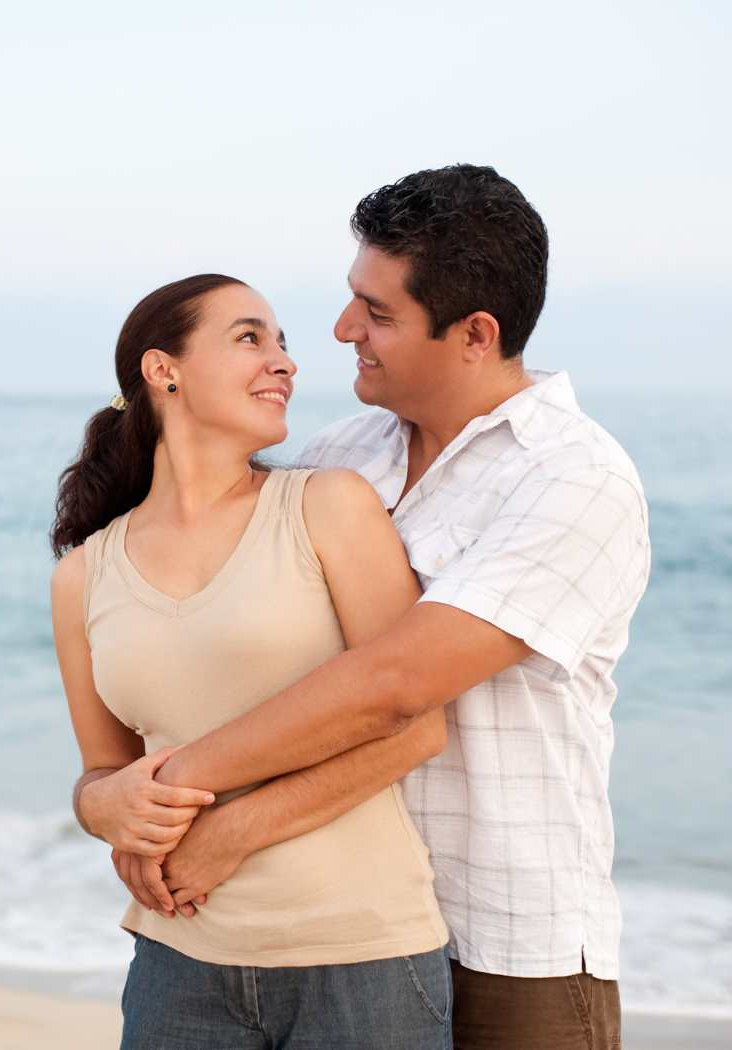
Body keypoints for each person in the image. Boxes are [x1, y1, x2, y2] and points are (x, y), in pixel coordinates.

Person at [92, 165, 650, 1050]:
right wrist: (116, 799)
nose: (344, 331)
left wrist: (171, 801)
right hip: (339, 929)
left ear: (474, 334)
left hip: (508, 945)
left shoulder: (574, 480)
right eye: (354, 300)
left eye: (378, 314)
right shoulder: (340, 456)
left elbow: (394, 688)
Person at [50, 273, 456, 1049]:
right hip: (179, 959)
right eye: (249, 338)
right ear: (162, 369)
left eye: (282, 343)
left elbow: (415, 728)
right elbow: (103, 773)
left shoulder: (327, 506)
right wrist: (97, 809)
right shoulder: (83, 576)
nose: (284, 362)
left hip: (362, 960)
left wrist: (232, 831)